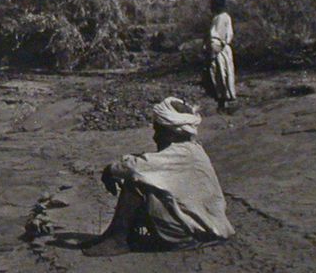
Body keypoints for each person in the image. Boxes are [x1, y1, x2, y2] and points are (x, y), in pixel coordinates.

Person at [87, 96, 235, 255]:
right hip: (209, 229)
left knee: (138, 182)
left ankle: (118, 239)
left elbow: (134, 168)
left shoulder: (177, 155)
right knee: (147, 176)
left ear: (171, 133)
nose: (154, 137)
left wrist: (109, 170)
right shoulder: (192, 149)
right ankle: (112, 235)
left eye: (158, 131)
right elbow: (147, 163)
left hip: (193, 234)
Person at [207, 0, 237, 111]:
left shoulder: (221, 18)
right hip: (222, 48)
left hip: (220, 49)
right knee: (224, 73)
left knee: (220, 74)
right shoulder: (222, 16)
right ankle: (226, 99)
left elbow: (218, 37)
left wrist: (214, 50)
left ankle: (224, 101)